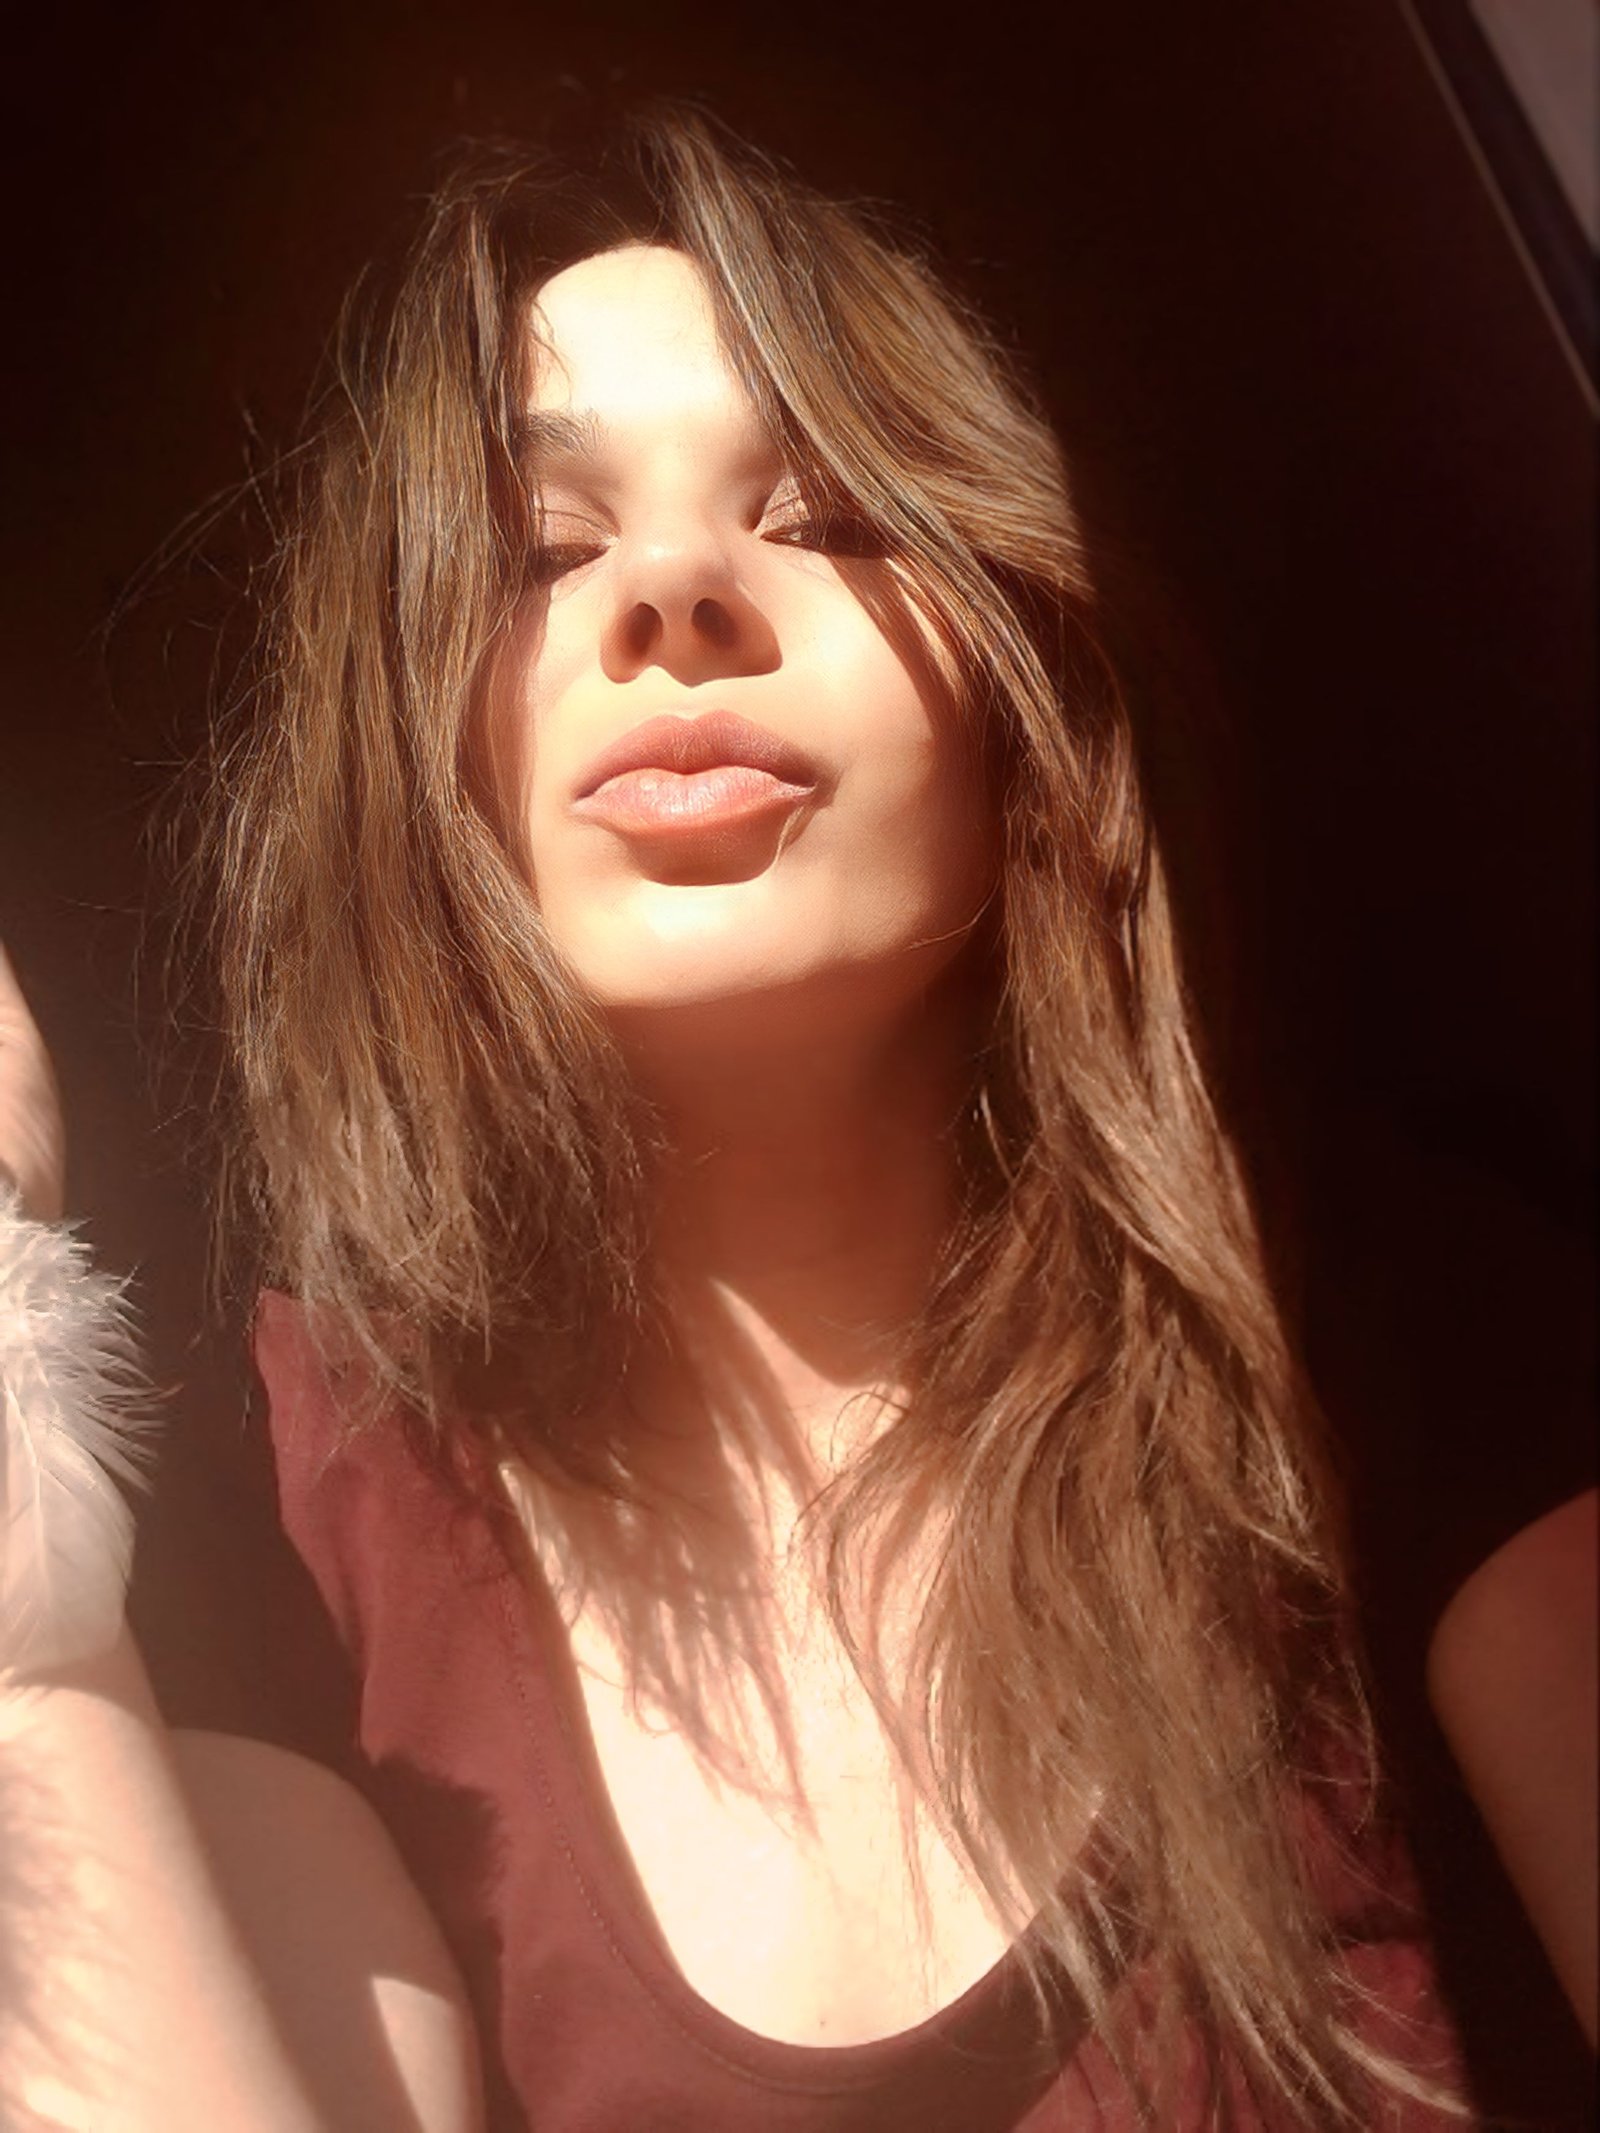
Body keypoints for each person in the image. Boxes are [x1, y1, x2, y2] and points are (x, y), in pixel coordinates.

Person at [0, 107, 1476, 2130]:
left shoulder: (1363, 1336)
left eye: (826, 516)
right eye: (542, 548)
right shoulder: (276, 1488)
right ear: (411, 754)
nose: (677, 585)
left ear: (1024, 696)